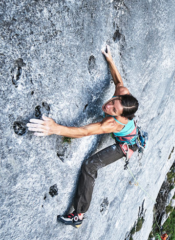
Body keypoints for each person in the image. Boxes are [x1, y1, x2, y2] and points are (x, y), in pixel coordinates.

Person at [27, 45, 139, 227]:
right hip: (129, 132)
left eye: (114, 109)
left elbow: (85, 131)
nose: (108, 106)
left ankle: (78, 215)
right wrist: (110, 60)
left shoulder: (111, 123)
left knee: (89, 166)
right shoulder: (123, 94)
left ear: (121, 117)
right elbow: (118, 81)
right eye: (113, 101)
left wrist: (55, 128)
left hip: (125, 145)